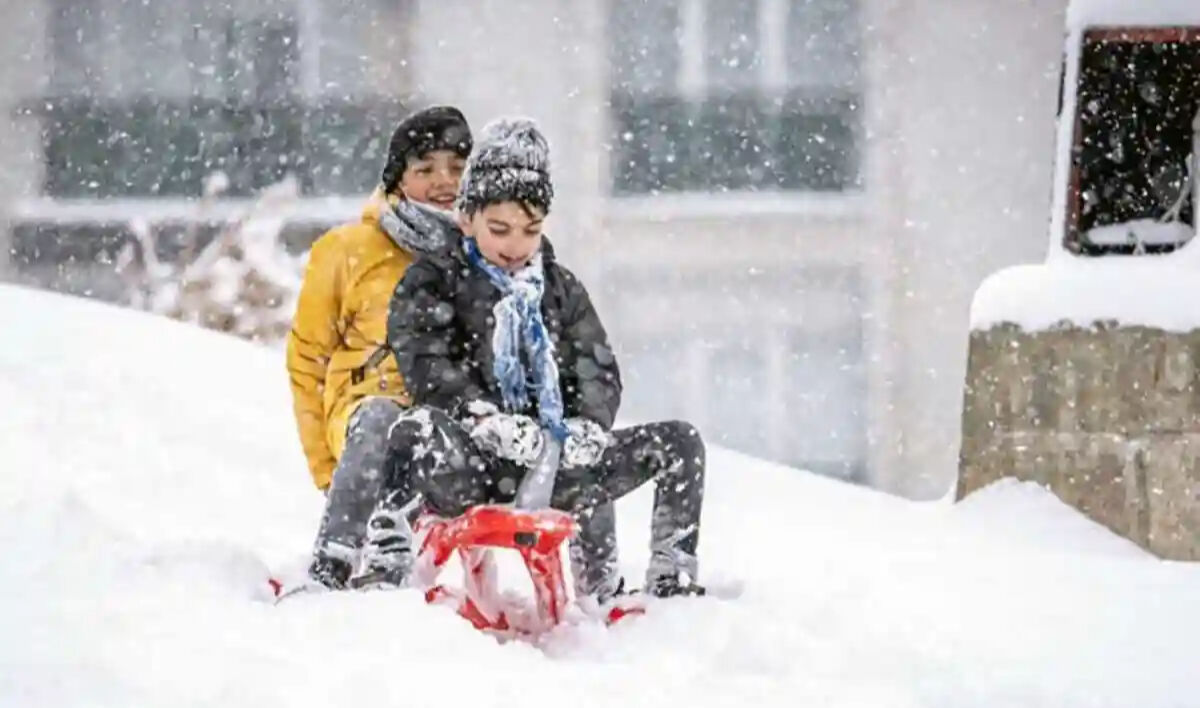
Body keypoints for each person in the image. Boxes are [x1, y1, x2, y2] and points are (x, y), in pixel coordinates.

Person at [387, 118, 707, 599]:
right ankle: (384, 567)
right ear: (468, 218)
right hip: (472, 466)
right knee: (411, 431)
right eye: (500, 229)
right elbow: (426, 364)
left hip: (555, 468)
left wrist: (587, 426)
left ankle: (672, 581)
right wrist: (481, 416)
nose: (515, 246)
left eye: (529, 230)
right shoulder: (433, 281)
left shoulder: (560, 290)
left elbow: (596, 368)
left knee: (680, 442)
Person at [286, 106, 470, 589]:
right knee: (384, 417)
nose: (443, 181)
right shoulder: (347, 249)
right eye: (425, 168)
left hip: (443, 425)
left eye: (456, 167)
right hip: (363, 419)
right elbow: (307, 362)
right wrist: (330, 473)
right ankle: (334, 562)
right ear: (397, 177)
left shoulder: (485, 250)